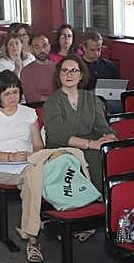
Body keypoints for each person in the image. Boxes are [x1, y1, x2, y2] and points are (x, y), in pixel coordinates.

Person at [0, 71, 52, 263]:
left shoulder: (29, 113)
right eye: (7, 93)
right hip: (0, 167)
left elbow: (38, 144)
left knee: (35, 177)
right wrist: (11, 157)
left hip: (28, 164)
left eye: (15, 92)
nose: (13, 97)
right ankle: (33, 239)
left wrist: (32, 155)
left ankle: (35, 228)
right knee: (34, 178)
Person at [42, 54, 116, 188]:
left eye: (74, 70)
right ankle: (97, 197)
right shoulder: (51, 103)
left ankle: (116, 196)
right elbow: (59, 135)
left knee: (112, 151)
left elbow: (102, 126)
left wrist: (109, 137)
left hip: (91, 142)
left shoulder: (92, 99)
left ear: (81, 75)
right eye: (64, 71)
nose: (69, 74)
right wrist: (90, 144)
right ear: (59, 75)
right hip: (62, 147)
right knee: (94, 155)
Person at [18, 33, 55, 104]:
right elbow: (31, 98)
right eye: (37, 47)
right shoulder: (26, 71)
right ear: (31, 49)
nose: (42, 50)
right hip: (38, 108)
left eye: (45, 46)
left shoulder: (58, 68)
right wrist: (55, 99)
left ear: (49, 47)